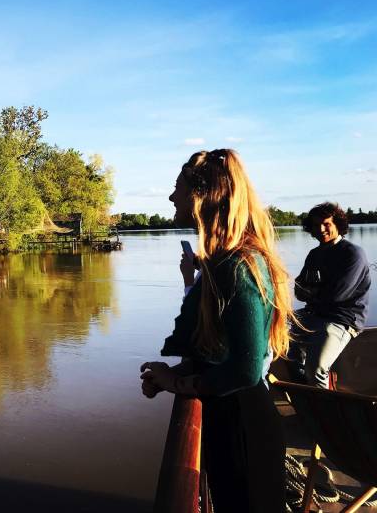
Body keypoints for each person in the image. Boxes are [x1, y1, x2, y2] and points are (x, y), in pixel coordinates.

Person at [140, 149, 291, 513]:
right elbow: (220, 351)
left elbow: (245, 367)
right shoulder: (230, 259)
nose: (172, 197)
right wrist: (171, 375)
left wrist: (174, 383)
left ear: (201, 196)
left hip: (242, 428)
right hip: (236, 418)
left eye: (177, 188)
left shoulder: (236, 264)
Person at [288, 202, 371, 388]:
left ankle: (325, 411)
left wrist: (312, 291)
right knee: (281, 340)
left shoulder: (353, 253)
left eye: (326, 224)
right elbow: (299, 291)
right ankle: (306, 392)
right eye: (316, 225)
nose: (321, 229)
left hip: (342, 319)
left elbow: (337, 295)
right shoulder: (314, 254)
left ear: (337, 225)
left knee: (316, 367)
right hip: (314, 314)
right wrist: (315, 292)